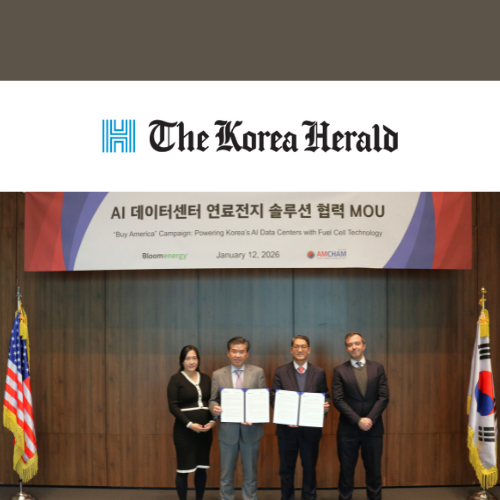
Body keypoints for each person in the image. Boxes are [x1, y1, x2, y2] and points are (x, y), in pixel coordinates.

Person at [270, 335, 331, 500]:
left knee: (310, 469)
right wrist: (286, 418)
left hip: (310, 431)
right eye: (296, 346)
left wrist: (325, 407)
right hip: (286, 431)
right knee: (286, 471)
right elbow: (274, 398)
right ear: (291, 350)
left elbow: (325, 395)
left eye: (303, 346)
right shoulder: (281, 371)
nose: (300, 350)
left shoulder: (319, 372)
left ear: (309, 350)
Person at [332, 333, 389, 500]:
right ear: (346, 349)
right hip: (348, 430)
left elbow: (383, 397)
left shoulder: (377, 368)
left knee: (374, 471)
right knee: (346, 471)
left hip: (373, 428)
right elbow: (338, 400)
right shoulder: (339, 371)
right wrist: (358, 420)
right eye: (350, 345)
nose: (354, 347)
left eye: (357, 343)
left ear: (364, 346)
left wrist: (369, 419)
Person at [209, 337, 267, 500]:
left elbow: (262, 400)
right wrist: (214, 408)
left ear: (247, 354)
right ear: (228, 353)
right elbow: (213, 399)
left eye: (241, 351)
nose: (237, 355)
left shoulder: (258, 372)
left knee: (250, 475)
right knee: (226, 475)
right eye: (234, 351)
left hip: (251, 430)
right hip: (228, 432)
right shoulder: (218, 374)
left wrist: (255, 416)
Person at [168, 345, 215, 500]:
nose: (191, 361)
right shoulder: (176, 379)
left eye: (194, 358)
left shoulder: (206, 378)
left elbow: (212, 402)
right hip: (184, 432)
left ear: (198, 360)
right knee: (184, 469)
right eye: (187, 358)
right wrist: (189, 424)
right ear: (182, 361)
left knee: (201, 469)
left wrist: (213, 421)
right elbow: (173, 406)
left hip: (205, 432)